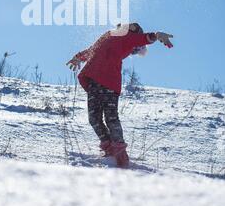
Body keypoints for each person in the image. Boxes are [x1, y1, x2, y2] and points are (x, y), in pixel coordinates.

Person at [66, 23, 173, 168]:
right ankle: (110, 149)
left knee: (111, 118)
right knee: (94, 118)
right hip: (93, 82)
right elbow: (93, 50)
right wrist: (79, 57)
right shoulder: (109, 34)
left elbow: (142, 39)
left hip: (109, 83)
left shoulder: (128, 39)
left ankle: (120, 153)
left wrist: (156, 35)